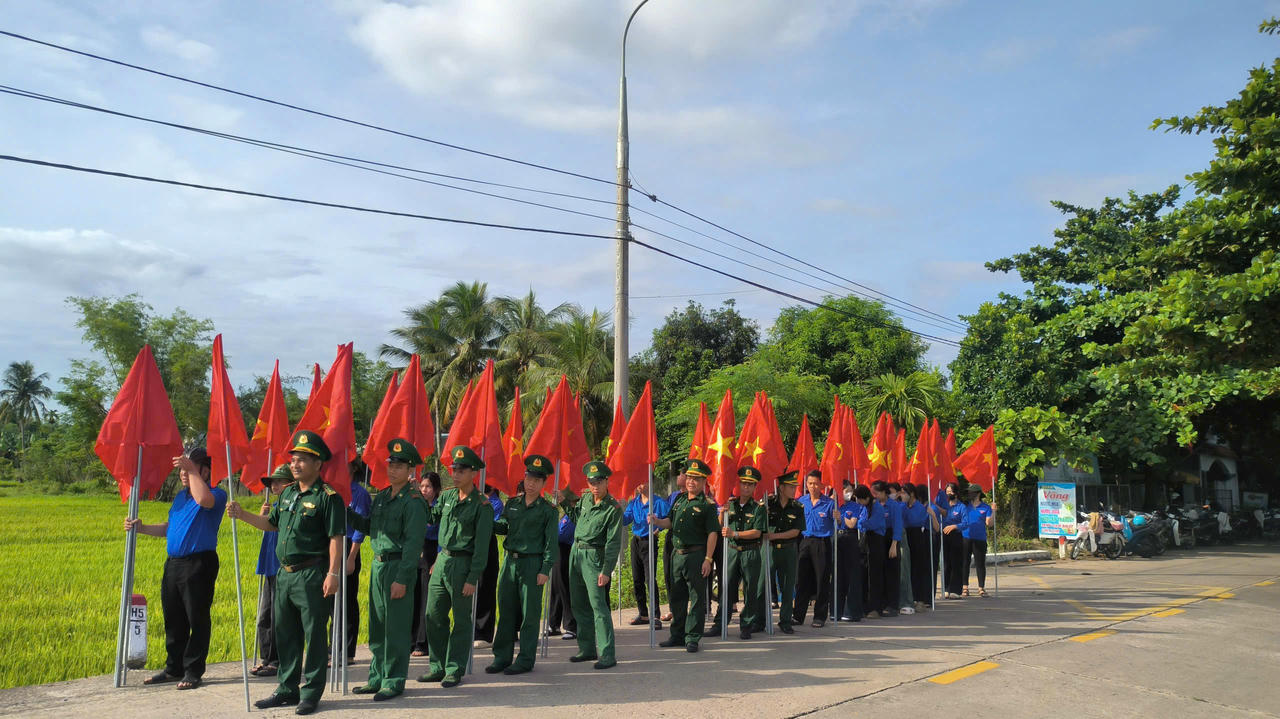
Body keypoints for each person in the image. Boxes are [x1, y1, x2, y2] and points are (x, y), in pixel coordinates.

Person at [227, 430, 344, 716]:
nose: (295, 464)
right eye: (293, 459)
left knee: (315, 634)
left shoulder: (328, 497)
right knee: (286, 634)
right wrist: (242, 514)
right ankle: (287, 688)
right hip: (285, 575)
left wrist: (333, 573)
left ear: (318, 464)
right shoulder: (289, 492)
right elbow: (272, 524)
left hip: (312, 573)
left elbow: (336, 538)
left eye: (302, 460)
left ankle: (311, 692)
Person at [124, 447, 227, 691]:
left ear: (207, 471)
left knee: (197, 618)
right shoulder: (181, 498)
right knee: (174, 618)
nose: (183, 472)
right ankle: (174, 667)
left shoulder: (216, 494)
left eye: (190, 467)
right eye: (182, 468)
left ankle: (193, 670)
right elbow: (170, 528)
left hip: (199, 563)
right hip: (174, 564)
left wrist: (192, 471)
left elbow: (204, 500)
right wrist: (142, 528)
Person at [343, 439, 428, 701]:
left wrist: (403, 578)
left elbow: (414, 544)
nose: (393, 470)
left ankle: (393, 679)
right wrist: (345, 511)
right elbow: (371, 528)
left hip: (398, 565)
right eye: (391, 465)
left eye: (399, 466)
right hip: (379, 565)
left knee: (397, 628)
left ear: (410, 470)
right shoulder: (381, 497)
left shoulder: (413, 501)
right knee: (378, 627)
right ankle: (376, 677)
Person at [419, 446, 493, 688]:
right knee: (433, 614)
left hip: (463, 564)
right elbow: (431, 518)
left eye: (461, 470)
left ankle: (454, 668)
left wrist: (473, 577)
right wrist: (419, 499)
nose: (456, 474)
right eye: (454, 469)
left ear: (473, 473)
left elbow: (482, 547)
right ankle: (437, 666)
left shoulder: (482, 505)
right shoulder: (448, 497)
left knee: (461, 619)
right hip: (442, 561)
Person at [486, 454, 559, 675]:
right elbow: (503, 527)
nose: (531, 483)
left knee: (529, 614)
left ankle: (525, 659)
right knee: (506, 611)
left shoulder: (548, 510)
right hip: (510, 562)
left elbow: (550, 542)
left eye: (537, 480)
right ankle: (502, 657)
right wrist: (486, 518)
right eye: (529, 478)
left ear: (544, 483)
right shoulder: (513, 504)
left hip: (532, 564)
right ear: (524, 478)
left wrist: (545, 569)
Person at [651, 459, 719, 651]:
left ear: (704, 481)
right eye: (689, 477)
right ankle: (677, 635)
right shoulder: (679, 500)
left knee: (696, 598)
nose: (691, 481)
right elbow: (670, 523)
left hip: (696, 556)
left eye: (696, 479)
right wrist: (656, 520)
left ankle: (692, 637)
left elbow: (713, 533)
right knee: (676, 597)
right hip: (677, 555)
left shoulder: (707, 505)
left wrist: (708, 559)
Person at [566, 461, 624, 669]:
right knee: (579, 604)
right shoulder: (585, 500)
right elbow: (576, 519)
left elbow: (613, 542)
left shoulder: (613, 508)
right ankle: (587, 648)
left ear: (607, 481)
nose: (595, 486)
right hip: (576, 553)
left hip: (595, 557)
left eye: (598, 482)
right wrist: (564, 502)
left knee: (598, 607)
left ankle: (607, 654)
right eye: (591, 482)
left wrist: (606, 570)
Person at [252, 464, 293, 677]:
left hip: (281, 567)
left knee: (279, 617)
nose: (274, 486)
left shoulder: (291, 507)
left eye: (278, 481)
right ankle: (266, 657)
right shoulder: (275, 506)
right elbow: (266, 527)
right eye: (272, 482)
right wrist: (262, 517)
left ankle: (277, 659)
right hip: (268, 565)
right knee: (264, 616)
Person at [721, 466, 767, 639]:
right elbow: (721, 526)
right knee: (727, 588)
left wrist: (736, 534)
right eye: (743, 483)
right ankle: (721, 622)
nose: (746, 487)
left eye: (750, 484)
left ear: (755, 487)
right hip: (732, 551)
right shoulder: (730, 503)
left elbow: (757, 532)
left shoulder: (758, 508)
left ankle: (746, 624)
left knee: (750, 590)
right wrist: (723, 513)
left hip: (750, 552)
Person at [329, 468, 369, 663]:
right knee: (332, 601)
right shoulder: (332, 490)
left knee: (347, 602)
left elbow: (360, 530)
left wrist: (352, 557)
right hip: (331, 546)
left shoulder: (359, 493)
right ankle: (333, 648)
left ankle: (347, 651)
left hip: (348, 546)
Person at [622, 480, 669, 628]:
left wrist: (659, 528)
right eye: (638, 483)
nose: (639, 485)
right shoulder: (634, 502)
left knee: (650, 579)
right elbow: (625, 520)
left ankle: (655, 615)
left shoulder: (658, 502)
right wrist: (615, 509)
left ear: (650, 482)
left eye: (642, 482)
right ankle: (643, 614)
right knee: (637, 579)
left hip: (649, 541)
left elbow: (670, 519)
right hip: (636, 541)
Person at [793, 470, 835, 628]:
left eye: (816, 483)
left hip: (822, 543)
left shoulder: (829, 503)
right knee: (801, 580)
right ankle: (798, 615)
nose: (813, 486)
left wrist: (837, 518)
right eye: (810, 483)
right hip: (804, 542)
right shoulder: (801, 502)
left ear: (822, 485)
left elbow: (838, 524)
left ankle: (820, 616)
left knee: (821, 580)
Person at [766, 471, 804, 634]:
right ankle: (760, 620)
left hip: (788, 550)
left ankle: (785, 620)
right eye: (790, 487)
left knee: (787, 587)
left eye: (794, 486)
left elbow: (796, 531)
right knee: (763, 586)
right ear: (781, 488)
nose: (794, 489)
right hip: (769, 550)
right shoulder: (768, 504)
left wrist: (774, 535)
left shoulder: (797, 507)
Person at [410, 471, 441, 657]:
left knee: (426, 600)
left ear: (436, 489)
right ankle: (411, 640)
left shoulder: (438, 509)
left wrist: (437, 560)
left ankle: (423, 642)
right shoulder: (417, 505)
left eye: (428, 486)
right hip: (416, 551)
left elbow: (441, 536)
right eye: (422, 486)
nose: (424, 490)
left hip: (431, 551)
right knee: (413, 598)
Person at [863, 480, 903, 618]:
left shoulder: (894, 506)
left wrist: (894, 545)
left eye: (876, 492)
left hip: (891, 539)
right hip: (877, 540)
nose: (874, 495)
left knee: (891, 573)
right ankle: (877, 605)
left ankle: (892, 605)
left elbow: (898, 526)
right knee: (878, 574)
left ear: (884, 492)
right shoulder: (872, 505)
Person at [546, 487, 579, 640]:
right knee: (556, 589)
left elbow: (562, 533)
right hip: (558, 552)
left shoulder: (574, 514)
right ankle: (553, 623)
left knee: (565, 588)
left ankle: (571, 625)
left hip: (567, 552)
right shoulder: (564, 513)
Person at [474, 485, 504, 643]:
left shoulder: (496, 503)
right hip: (471, 545)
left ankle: (483, 633)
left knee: (485, 587)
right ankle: (471, 630)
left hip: (487, 545)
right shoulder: (473, 498)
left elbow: (494, 524)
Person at [835, 483, 868, 622]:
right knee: (838, 576)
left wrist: (840, 518)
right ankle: (836, 610)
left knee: (852, 576)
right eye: (846, 491)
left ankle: (852, 611)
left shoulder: (855, 506)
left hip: (850, 538)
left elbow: (852, 524)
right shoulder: (834, 504)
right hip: (836, 538)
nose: (849, 493)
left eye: (850, 491)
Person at [905, 484, 937, 611]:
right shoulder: (904, 506)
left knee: (921, 569)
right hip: (909, 537)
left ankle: (922, 599)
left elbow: (936, 528)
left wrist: (933, 515)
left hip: (922, 539)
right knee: (910, 569)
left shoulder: (923, 508)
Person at [660, 470, 686, 622]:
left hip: (688, 539)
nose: (677, 477)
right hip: (671, 537)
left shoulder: (696, 497)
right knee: (669, 574)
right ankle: (673, 609)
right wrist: (657, 523)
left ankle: (697, 608)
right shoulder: (673, 496)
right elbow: (668, 517)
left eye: (680, 474)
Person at [962, 486, 995, 597]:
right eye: (969, 492)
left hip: (980, 538)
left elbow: (989, 523)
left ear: (978, 494)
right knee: (965, 562)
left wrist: (994, 511)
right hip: (966, 537)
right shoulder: (965, 506)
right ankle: (965, 587)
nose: (969, 494)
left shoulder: (985, 507)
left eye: (972, 493)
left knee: (980, 563)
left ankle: (981, 588)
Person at [888, 483, 914, 615]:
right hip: (887, 535)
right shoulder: (885, 505)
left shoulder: (901, 505)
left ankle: (906, 601)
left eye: (894, 492)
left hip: (900, 537)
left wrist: (903, 502)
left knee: (904, 570)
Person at [939, 483, 966, 599]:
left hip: (956, 536)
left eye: (951, 492)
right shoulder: (944, 506)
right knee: (945, 563)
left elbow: (966, 523)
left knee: (956, 563)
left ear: (956, 493)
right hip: (944, 536)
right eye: (947, 492)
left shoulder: (961, 507)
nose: (949, 494)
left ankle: (956, 590)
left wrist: (954, 526)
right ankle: (946, 589)